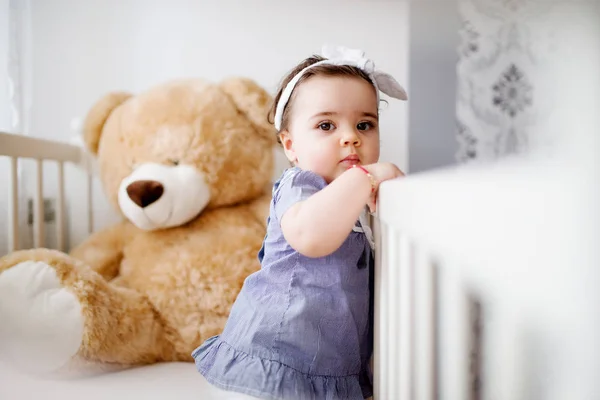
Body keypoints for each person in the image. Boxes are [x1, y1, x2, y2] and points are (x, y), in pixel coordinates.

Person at [192, 44, 408, 400]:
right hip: (273, 363)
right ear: (291, 147)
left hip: (322, 368)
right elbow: (310, 236)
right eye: (326, 124)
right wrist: (367, 177)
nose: (351, 136)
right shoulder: (300, 185)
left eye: (364, 124)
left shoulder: (356, 199)